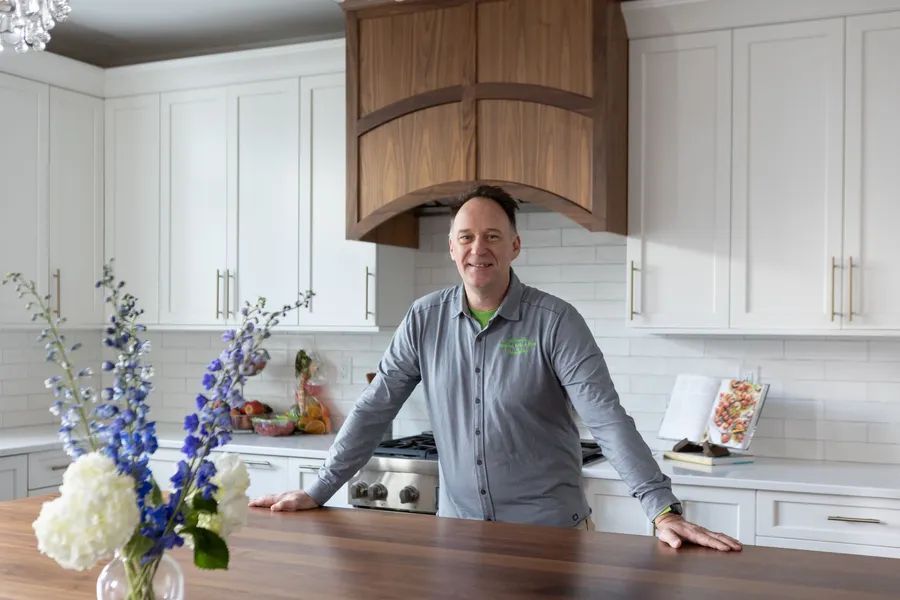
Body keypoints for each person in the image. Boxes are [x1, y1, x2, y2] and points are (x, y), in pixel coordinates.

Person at [250, 185, 742, 552]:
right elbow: (374, 409)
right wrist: (318, 489)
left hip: (550, 539)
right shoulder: (424, 319)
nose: (477, 249)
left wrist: (662, 508)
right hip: (458, 537)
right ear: (451, 247)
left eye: (491, 236)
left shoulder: (556, 322)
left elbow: (606, 419)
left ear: (514, 247)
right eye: (465, 237)